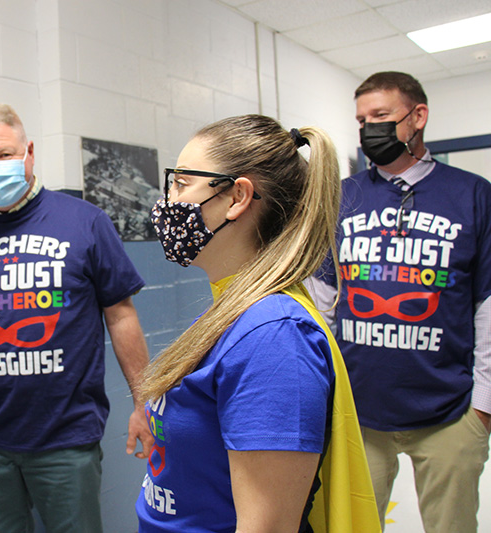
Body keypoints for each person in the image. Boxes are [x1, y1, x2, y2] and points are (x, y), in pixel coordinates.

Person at [136, 115, 380, 532]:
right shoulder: (233, 309)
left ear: (237, 197)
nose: (166, 201)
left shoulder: (275, 336)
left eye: (180, 183)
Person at [0, 103, 153, 532]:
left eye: (4, 154)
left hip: (67, 439)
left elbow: (121, 317)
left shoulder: (85, 222)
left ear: (28, 152)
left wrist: (144, 403)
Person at [307, 71, 491, 532]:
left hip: (449, 412)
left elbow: (488, 303)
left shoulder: (471, 194)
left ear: (417, 117)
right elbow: (321, 302)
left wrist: (484, 405)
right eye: (362, 119)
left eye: (381, 116)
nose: (369, 128)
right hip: (358, 412)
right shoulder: (344, 196)